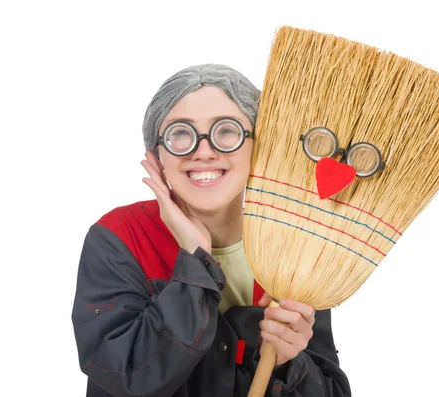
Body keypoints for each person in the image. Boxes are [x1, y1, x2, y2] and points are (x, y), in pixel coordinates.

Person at [71, 64, 351, 396]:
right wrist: (196, 260)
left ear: (258, 146)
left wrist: (287, 364)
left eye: (227, 131)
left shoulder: (294, 244)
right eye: (180, 134)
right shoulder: (119, 238)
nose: (203, 151)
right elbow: (127, 375)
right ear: (157, 156)